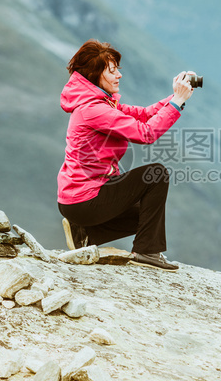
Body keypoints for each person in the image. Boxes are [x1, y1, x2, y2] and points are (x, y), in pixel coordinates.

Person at [57, 39, 194, 271]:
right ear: (94, 74)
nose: (119, 75)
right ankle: (147, 251)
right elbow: (147, 133)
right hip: (85, 199)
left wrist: (176, 95)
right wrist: (178, 103)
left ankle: (86, 233)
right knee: (156, 174)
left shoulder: (100, 103)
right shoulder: (95, 110)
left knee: (148, 217)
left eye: (118, 69)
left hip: (78, 199)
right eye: (112, 71)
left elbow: (143, 114)